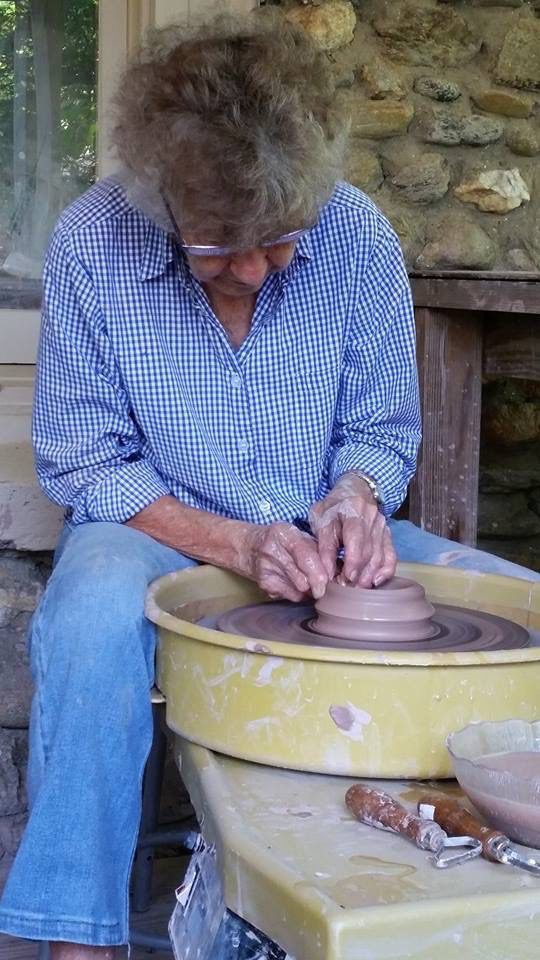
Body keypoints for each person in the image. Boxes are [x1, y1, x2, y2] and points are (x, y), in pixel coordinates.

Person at [0, 14, 538, 959]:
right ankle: (75, 937)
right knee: (85, 622)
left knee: (523, 610)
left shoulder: (357, 236)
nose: (250, 269)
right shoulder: (94, 243)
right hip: (153, 523)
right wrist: (234, 543)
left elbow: (380, 433)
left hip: (312, 526)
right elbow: (84, 460)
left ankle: (477, 913)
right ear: (164, 201)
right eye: (216, 248)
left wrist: (356, 498)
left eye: (278, 241)